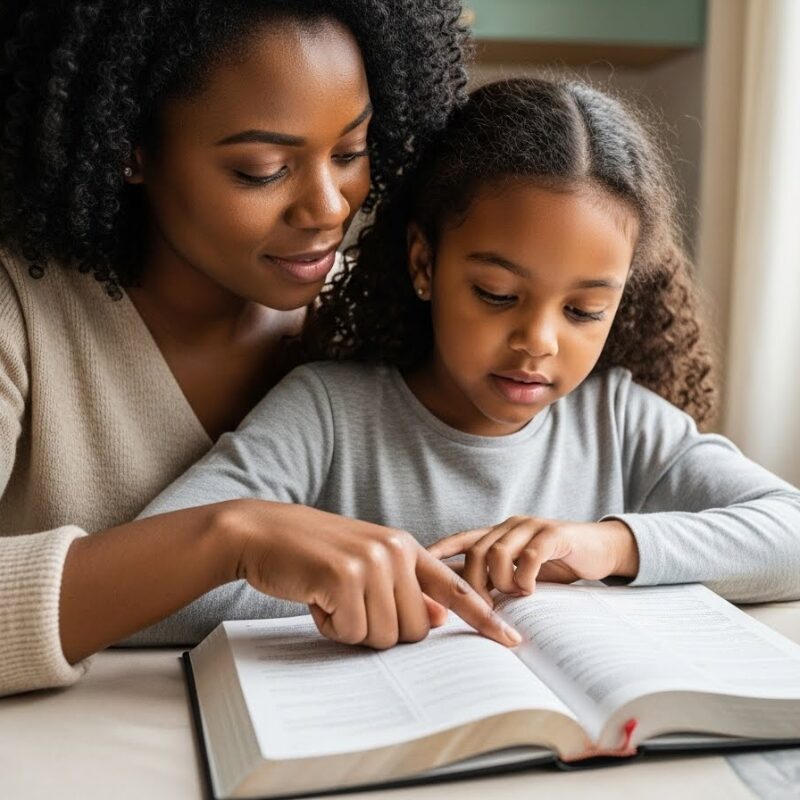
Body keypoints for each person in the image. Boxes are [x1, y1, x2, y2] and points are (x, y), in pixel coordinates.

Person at [129, 77, 800, 645]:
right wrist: (357, 591)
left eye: (584, 310)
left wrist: (609, 547)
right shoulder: (328, 413)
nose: (538, 341)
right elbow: (149, 582)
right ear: (426, 263)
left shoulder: (620, 422)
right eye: (497, 295)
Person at [0, 0, 522, 699]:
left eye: (350, 151)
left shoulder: (382, 313)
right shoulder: (20, 313)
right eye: (262, 168)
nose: (329, 208)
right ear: (130, 148)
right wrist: (229, 538)